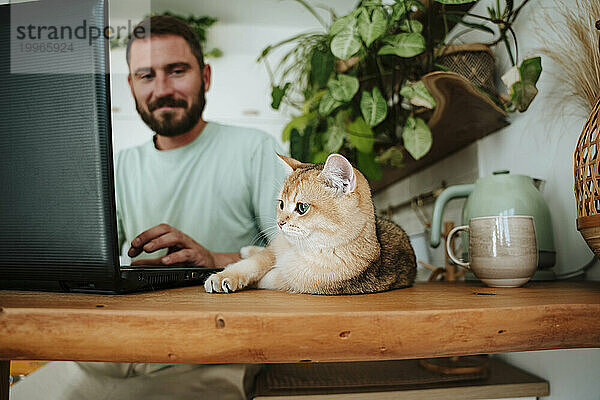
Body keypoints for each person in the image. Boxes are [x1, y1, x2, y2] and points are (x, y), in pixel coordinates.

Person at [11, 15, 286, 400]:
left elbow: (298, 257)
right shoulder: (115, 167)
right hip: (118, 343)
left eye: (177, 71)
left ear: (205, 76)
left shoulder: (256, 150)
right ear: (130, 85)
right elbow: (93, 266)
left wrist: (212, 259)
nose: (162, 89)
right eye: (146, 75)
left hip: (219, 347)